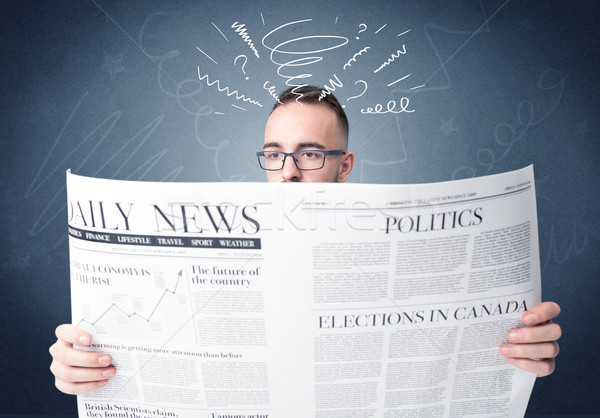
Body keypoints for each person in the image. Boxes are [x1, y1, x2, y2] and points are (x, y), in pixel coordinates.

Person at [49, 85, 561, 395]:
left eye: (310, 154)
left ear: (345, 167)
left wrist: (517, 354)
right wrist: (87, 366)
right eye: (274, 154)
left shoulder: (407, 262)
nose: (288, 172)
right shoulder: (205, 263)